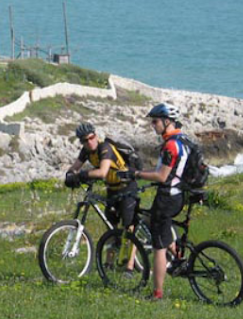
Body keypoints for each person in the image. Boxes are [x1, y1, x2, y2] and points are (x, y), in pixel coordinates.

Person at [64, 123, 139, 272]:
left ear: (96, 136)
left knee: (129, 227)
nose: (89, 142)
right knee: (110, 226)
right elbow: (74, 168)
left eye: (91, 138)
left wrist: (82, 175)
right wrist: (69, 176)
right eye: (85, 140)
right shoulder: (85, 152)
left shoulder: (105, 148)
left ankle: (129, 267)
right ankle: (109, 264)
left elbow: (102, 172)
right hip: (112, 189)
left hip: (127, 187)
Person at [132, 103, 188, 300]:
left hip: (167, 198)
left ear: (167, 121)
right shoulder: (183, 140)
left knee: (158, 248)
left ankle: (157, 293)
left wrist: (137, 174)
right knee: (162, 230)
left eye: (155, 121)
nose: (152, 125)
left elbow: (162, 176)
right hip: (178, 195)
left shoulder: (171, 145)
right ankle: (180, 259)